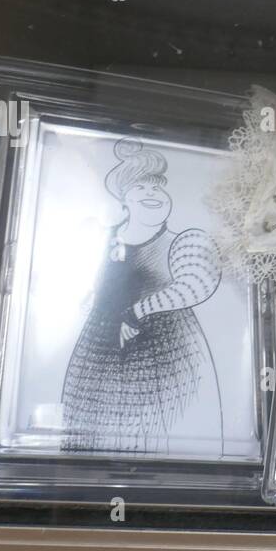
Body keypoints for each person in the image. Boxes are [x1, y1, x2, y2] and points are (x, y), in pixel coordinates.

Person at [62, 138, 222, 452]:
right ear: (124, 201)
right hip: (101, 349)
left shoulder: (182, 242)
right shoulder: (105, 239)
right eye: (140, 188)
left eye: (157, 188)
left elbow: (197, 283)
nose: (151, 194)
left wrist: (138, 311)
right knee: (96, 427)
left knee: (162, 429)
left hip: (168, 352)